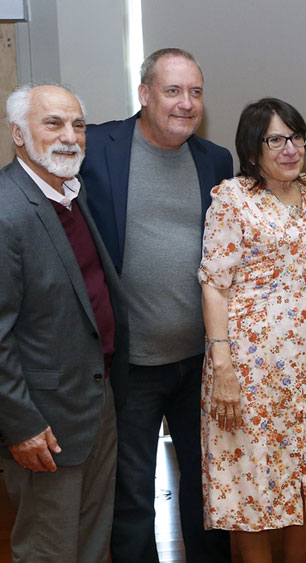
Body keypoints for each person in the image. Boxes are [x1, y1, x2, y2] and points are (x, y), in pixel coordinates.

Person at [79, 48, 233, 563]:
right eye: (172, 91)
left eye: (195, 92)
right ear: (144, 94)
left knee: (210, 487)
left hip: (202, 362)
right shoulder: (97, 145)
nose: (186, 103)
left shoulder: (215, 160)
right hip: (132, 362)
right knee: (132, 494)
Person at [198, 98, 306, 562]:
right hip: (248, 366)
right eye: (275, 140)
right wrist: (222, 365)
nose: (289, 149)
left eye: (296, 137)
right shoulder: (231, 198)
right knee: (250, 483)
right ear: (253, 149)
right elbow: (213, 285)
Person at [0, 84, 128, 562]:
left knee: (92, 543)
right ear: (19, 133)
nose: (70, 136)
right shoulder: (7, 209)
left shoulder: (72, 195)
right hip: (44, 421)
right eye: (52, 123)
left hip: (94, 402)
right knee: (49, 551)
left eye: (78, 124)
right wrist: (21, 425)